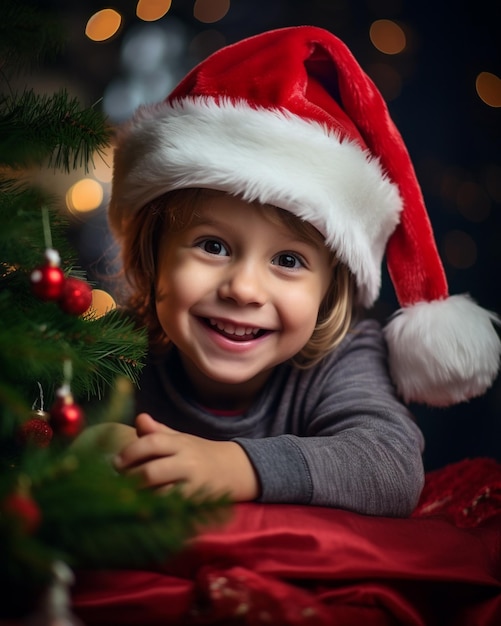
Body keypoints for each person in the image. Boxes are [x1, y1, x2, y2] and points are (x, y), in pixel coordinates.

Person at [104, 25, 500, 517]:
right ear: (152, 256)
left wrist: (235, 466)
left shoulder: (342, 360)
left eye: (288, 261)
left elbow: (391, 467)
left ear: (330, 288)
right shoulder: (118, 349)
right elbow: (35, 416)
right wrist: (90, 438)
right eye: (213, 246)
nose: (244, 289)